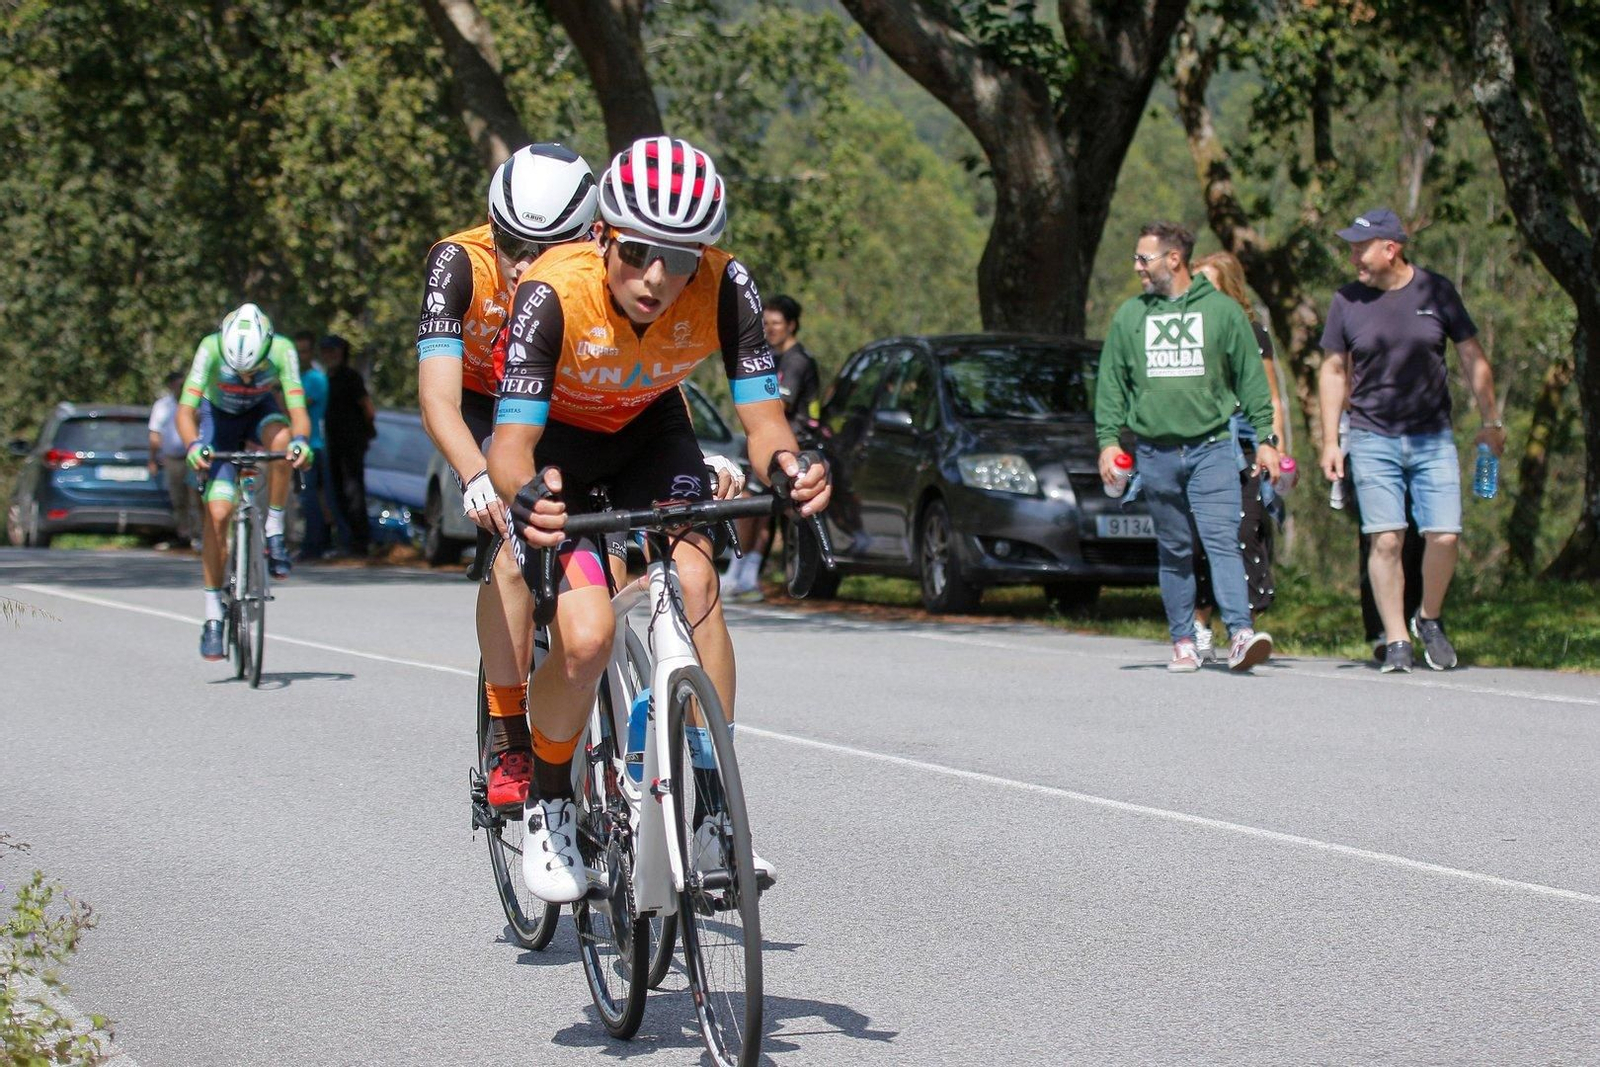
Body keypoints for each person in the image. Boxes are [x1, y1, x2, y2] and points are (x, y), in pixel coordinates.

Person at [488, 136, 831, 903]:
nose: (658, 277)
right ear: (604, 234)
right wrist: (526, 497)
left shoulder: (725, 284)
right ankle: (549, 802)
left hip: (651, 434)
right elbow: (511, 443)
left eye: (679, 259)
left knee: (699, 578)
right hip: (559, 452)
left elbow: (765, 420)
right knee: (585, 637)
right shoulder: (551, 291)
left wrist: (789, 467)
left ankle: (712, 808)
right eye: (640, 251)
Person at [416, 142, 600, 809]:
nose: (522, 262)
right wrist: (475, 475)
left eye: (545, 246)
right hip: (478, 401)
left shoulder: (600, 269)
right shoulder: (457, 263)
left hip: (556, 395)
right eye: (509, 241)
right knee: (512, 548)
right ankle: (509, 732)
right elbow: (437, 398)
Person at [1317, 207, 1504, 673]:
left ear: (1391, 248)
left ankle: (1429, 617)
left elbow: (1471, 356)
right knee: (1385, 540)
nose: (1354, 255)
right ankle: (1396, 637)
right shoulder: (1346, 301)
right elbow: (1334, 370)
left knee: (1444, 535)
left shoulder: (1435, 290)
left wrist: (1491, 420)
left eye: (1361, 247)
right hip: (1371, 437)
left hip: (1431, 437)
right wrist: (1329, 441)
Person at [1095, 222, 1279, 673]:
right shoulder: (1130, 316)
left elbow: (1252, 381)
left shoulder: (1221, 312)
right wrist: (1107, 442)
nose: (1137, 266)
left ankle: (1239, 633)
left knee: (1223, 541)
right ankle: (1183, 641)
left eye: (1144, 258)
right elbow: (1111, 384)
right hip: (1155, 452)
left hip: (1212, 448)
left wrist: (1266, 439)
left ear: (1173, 259)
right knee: (1175, 549)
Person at [175, 304, 313, 660]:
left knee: (282, 443)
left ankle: (274, 528)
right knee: (218, 515)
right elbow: (185, 410)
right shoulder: (209, 347)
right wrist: (193, 445)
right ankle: (212, 617)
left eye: (254, 372)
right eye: (240, 373)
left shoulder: (282, 349)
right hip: (217, 421)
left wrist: (301, 441)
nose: (248, 379)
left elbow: (298, 411)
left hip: (259, 415)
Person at [1187, 250, 1288, 659]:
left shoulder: (1251, 332)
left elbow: (1270, 397)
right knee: (1197, 538)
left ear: (1229, 290)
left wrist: (1274, 447)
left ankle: (1242, 631)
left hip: (1244, 444)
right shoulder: (1186, 330)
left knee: (1245, 533)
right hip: (1197, 441)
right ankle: (1198, 627)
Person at [722, 293, 821, 600]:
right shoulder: (773, 356)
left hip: (787, 446)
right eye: (765, 323)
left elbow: (778, 405)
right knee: (756, 508)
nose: (770, 329)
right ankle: (742, 575)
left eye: (776, 323)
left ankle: (745, 575)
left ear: (792, 325)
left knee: (755, 506)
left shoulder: (796, 361)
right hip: (766, 443)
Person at [322, 334, 375, 556]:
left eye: (334, 350)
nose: (330, 355)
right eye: (326, 351)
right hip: (333, 443)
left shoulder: (351, 377)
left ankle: (360, 542)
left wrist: (365, 432)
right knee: (338, 492)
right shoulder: (325, 378)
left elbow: (368, 407)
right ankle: (346, 540)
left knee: (353, 492)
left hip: (352, 443)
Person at [147, 370, 198, 549]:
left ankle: (198, 535)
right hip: (172, 459)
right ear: (170, 386)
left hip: (192, 458)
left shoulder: (195, 404)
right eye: (177, 384)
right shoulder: (162, 406)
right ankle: (183, 534)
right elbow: (155, 434)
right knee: (178, 498)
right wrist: (152, 459)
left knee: (196, 497)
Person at [293, 330, 332, 561]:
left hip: (314, 445)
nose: (300, 356)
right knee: (306, 499)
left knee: (311, 498)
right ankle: (310, 543)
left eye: (304, 351)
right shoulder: (297, 378)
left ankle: (314, 546)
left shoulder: (315, 379)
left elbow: (293, 406)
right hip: (299, 445)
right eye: (297, 352)